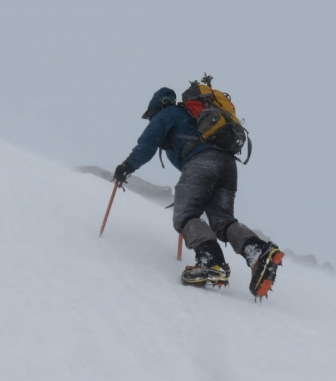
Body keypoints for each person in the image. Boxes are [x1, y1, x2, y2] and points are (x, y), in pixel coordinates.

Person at [113, 87, 284, 298]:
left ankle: (211, 262)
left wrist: (126, 167)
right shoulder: (197, 116)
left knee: (185, 215)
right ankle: (257, 251)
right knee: (222, 220)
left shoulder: (166, 114)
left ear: (156, 108)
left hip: (202, 163)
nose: (150, 120)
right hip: (228, 165)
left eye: (150, 116)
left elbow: (147, 145)